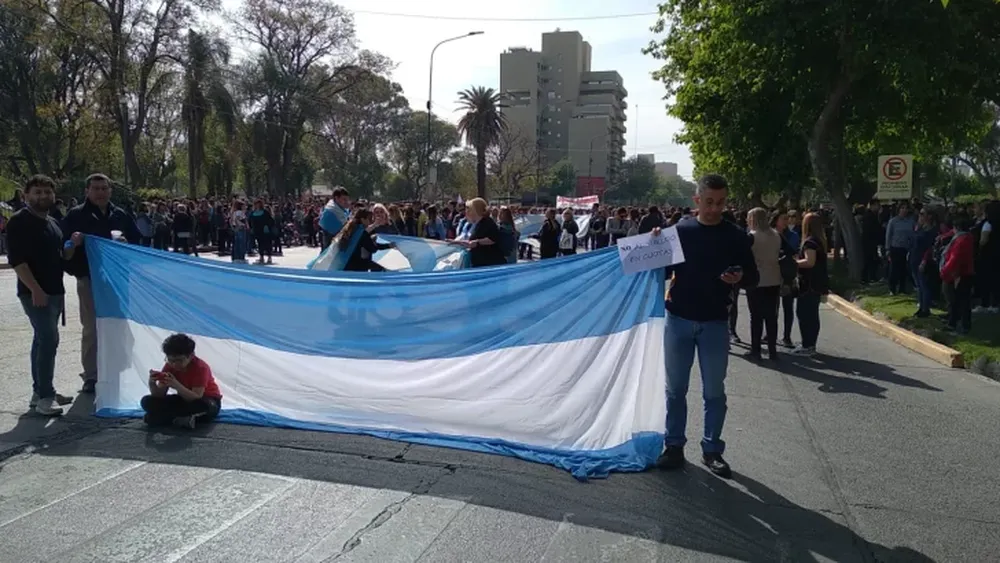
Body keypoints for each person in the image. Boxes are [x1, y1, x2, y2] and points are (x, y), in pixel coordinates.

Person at [651, 174, 759, 478]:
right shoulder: (679, 232)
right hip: (678, 320)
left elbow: (753, 277)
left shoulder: (736, 236)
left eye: (721, 202)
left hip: (714, 323)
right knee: (675, 390)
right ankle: (673, 446)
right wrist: (654, 243)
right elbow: (659, 271)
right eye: (709, 202)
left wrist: (740, 277)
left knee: (714, 392)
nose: (715, 208)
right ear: (696, 200)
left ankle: (712, 450)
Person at [6, 175, 81, 415]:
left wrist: (71, 246)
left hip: (55, 290)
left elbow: (61, 258)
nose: (42, 196)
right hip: (35, 293)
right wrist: (36, 289)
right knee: (48, 340)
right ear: (26, 195)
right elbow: (17, 261)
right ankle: (45, 396)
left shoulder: (52, 222)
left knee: (43, 340)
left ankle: (40, 391)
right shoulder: (19, 222)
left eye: (47, 192)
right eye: (37, 192)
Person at [61, 173, 140, 393]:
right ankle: (92, 375)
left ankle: (119, 368)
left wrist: (126, 243)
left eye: (104, 188)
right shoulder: (76, 215)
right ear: (87, 191)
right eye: (96, 188)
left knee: (119, 324)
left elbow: (138, 243)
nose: (100, 192)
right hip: (89, 278)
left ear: (110, 191)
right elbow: (64, 250)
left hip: (118, 280)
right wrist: (73, 243)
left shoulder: (120, 215)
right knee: (92, 328)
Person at [141, 333, 222, 429]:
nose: (175, 364)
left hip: (207, 400)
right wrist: (152, 383)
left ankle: (166, 417)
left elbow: (196, 397)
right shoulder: (169, 366)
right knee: (147, 401)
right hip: (183, 400)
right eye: (170, 360)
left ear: (191, 356)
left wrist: (176, 385)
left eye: (179, 360)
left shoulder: (200, 367)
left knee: (204, 407)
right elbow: (159, 395)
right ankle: (179, 418)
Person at [746, 207, 782, 360]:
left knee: (756, 316)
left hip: (757, 279)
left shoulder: (751, 237)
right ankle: (772, 350)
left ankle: (756, 349)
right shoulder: (776, 235)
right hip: (774, 278)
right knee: (771, 316)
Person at [793, 212, 829, 356]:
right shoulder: (820, 241)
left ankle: (808, 345)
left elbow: (809, 262)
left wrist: (794, 263)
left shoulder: (810, 242)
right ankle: (809, 342)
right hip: (818, 282)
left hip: (809, 284)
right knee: (812, 314)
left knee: (805, 313)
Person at [940, 214, 976, 334]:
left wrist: (945, 271)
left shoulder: (960, 240)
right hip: (965, 272)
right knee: (962, 300)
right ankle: (961, 323)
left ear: (958, 228)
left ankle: (955, 324)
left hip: (958, 274)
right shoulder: (968, 237)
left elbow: (955, 258)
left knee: (956, 300)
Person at [451, 198, 506, 268]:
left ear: (475, 210)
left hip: (491, 265)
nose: (466, 212)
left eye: (469, 209)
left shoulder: (488, 223)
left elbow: (493, 239)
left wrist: (477, 242)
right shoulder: (478, 224)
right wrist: (455, 242)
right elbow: (471, 242)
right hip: (480, 264)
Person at [885, 202, 916, 294]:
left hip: (906, 248)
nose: (904, 210)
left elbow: (913, 234)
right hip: (895, 247)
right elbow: (888, 235)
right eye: (902, 208)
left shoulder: (911, 221)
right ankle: (892, 288)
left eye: (906, 208)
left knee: (904, 269)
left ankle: (902, 288)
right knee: (894, 268)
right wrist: (887, 248)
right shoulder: (893, 221)